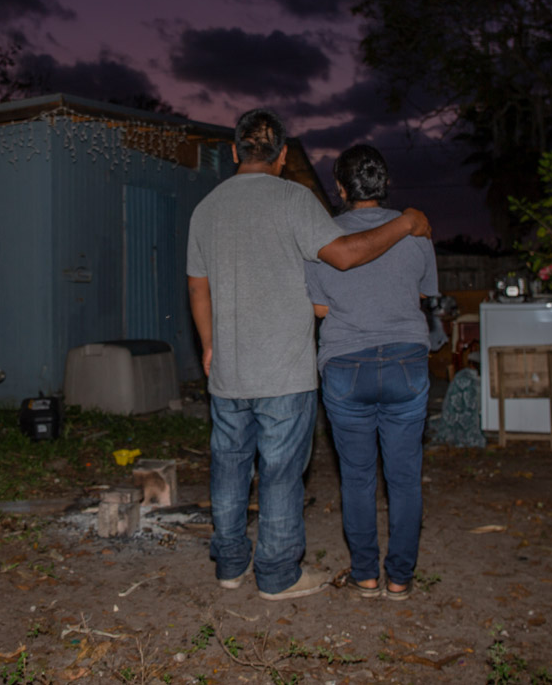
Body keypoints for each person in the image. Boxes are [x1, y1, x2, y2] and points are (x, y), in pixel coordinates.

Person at [186, 110, 431, 600]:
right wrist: (405, 222)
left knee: (229, 467)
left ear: (234, 151)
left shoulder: (205, 208)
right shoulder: (295, 198)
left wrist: (209, 345)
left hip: (230, 367)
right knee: (279, 472)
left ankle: (230, 566)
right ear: (281, 156)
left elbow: (198, 286)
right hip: (285, 367)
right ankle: (277, 576)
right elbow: (342, 255)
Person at [304, 144, 438, 600]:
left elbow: (320, 308)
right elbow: (421, 297)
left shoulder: (322, 238)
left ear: (341, 188)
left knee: (357, 477)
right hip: (406, 363)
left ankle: (365, 575)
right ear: (385, 185)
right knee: (403, 477)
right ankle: (399, 578)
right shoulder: (417, 232)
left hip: (346, 367)